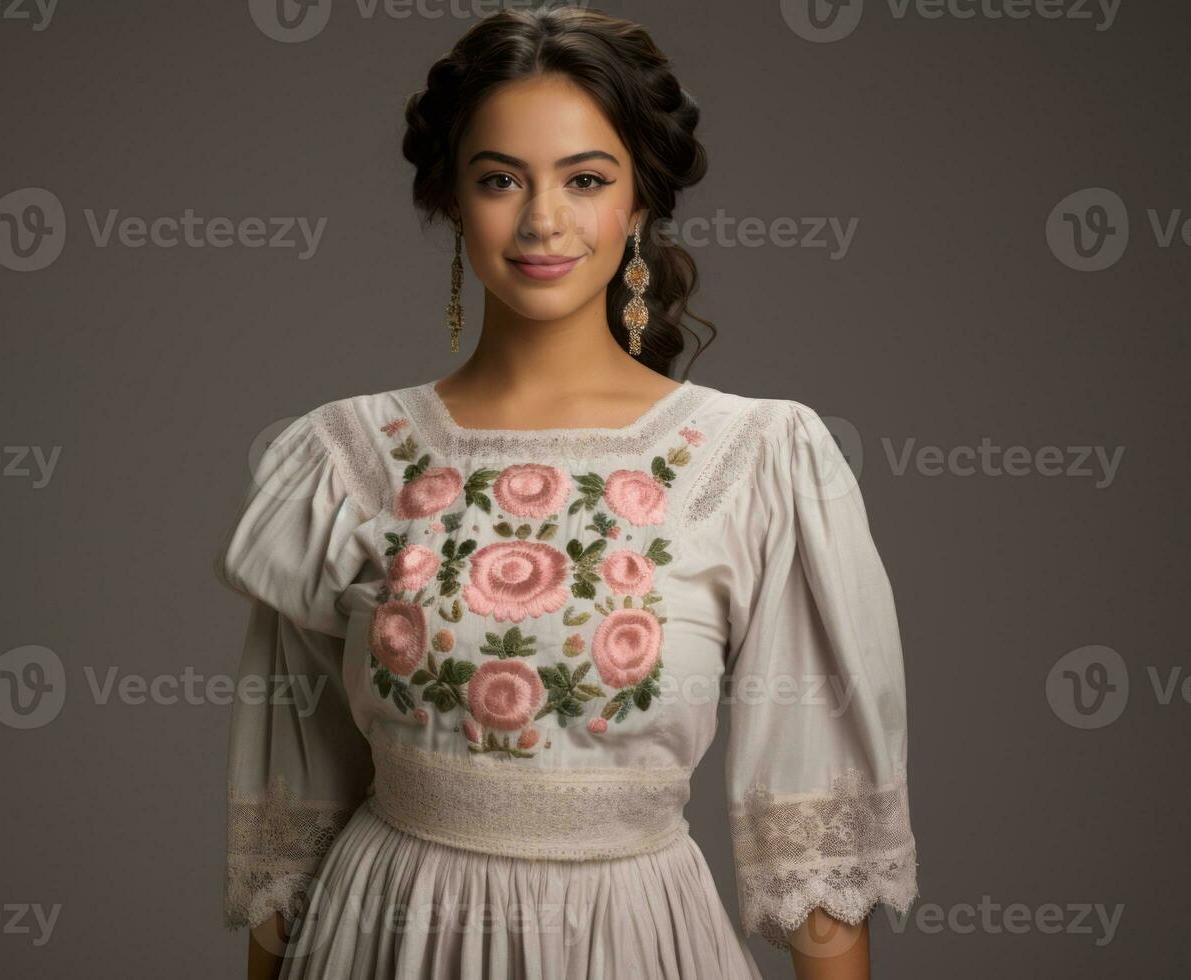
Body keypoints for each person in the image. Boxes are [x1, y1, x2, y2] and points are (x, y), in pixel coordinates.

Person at [214, 6, 918, 978]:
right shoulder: (346, 458)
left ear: (637, 203)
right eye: (500, 178)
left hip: (630, 941)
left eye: (584, 179)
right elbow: (289, 845)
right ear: (452, 200)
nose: (542, 220)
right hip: (383, 939)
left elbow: (820, 864)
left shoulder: (756, 458)